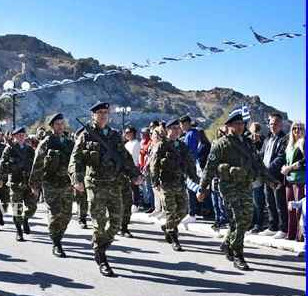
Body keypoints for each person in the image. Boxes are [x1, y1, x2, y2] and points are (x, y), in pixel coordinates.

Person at [198, 110, 280, 270]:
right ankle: (238, 254)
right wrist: (202, 188)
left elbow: (258, 164)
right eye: (237, 124)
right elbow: (209, 168)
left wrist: (271, 180)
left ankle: (227, 243)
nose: (241, 126)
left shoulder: (248, 143)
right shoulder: (220, 144)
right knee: (238, 219)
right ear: (228, 126)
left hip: (245, 185)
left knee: (247, 219)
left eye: (242, 124)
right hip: (228, 186)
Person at [69, 101, 143, 277]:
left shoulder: (114, 135)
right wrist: (76, 179)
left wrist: (135, 175)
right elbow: (75, 159)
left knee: (116, 223)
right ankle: (101, 256)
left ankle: (100, 246)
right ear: (93, 115)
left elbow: (124, 158)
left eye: (105, 112)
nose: (103, 115)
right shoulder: (85, 135)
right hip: (95, 185)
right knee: (99, 223)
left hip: (114, 184)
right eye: (99, 112)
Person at [30, 113, 76, 257]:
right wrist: (34, 185)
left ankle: (58, 235)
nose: (60, 126)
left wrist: (77, 181)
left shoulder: (70, 143)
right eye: (57, 124)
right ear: (52, 126)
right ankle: (56, 242)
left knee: (67, 215)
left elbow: (76, 164)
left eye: (62, 124)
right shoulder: (46, 142)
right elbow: (37, 164)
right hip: (50, 183)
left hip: (67, 183)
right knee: (55, 213)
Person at [148, 118, 198, 251]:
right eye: (174, 128)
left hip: (180, 183)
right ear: (168, 130)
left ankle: (167, 227)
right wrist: (155, 182)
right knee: (171, 211)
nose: (177, 131)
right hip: (166, 183)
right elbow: (154, 165)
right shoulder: (161, 145)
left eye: (178, 128)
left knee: (183, 210)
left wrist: (195, 178)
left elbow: (189, 163)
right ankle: (174, 237)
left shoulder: (182, 146)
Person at [0, 126, 36, 241]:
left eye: (23, 135)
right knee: (17, 208)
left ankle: (25, 219)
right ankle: (19, 231)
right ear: (14, 137)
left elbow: (35, 165)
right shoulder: (9, 149)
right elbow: (2, 163)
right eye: (18, 135)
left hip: (28, 183)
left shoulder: (29, 150)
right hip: (15, 183)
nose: (21, 137)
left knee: (32, 207)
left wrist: (37, 182)